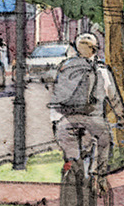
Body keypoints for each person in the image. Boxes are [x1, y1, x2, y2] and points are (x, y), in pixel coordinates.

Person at [49, 32, 117, 181]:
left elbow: (56, 94)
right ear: (95, 49)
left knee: (69, 144)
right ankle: (97, 174)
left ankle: (71, 162)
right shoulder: (101, 69)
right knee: (104, 141)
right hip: (93, 119)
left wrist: (55, 119)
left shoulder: (65, 67)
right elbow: (113, 97)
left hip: (65, 120)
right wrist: (122, 116)